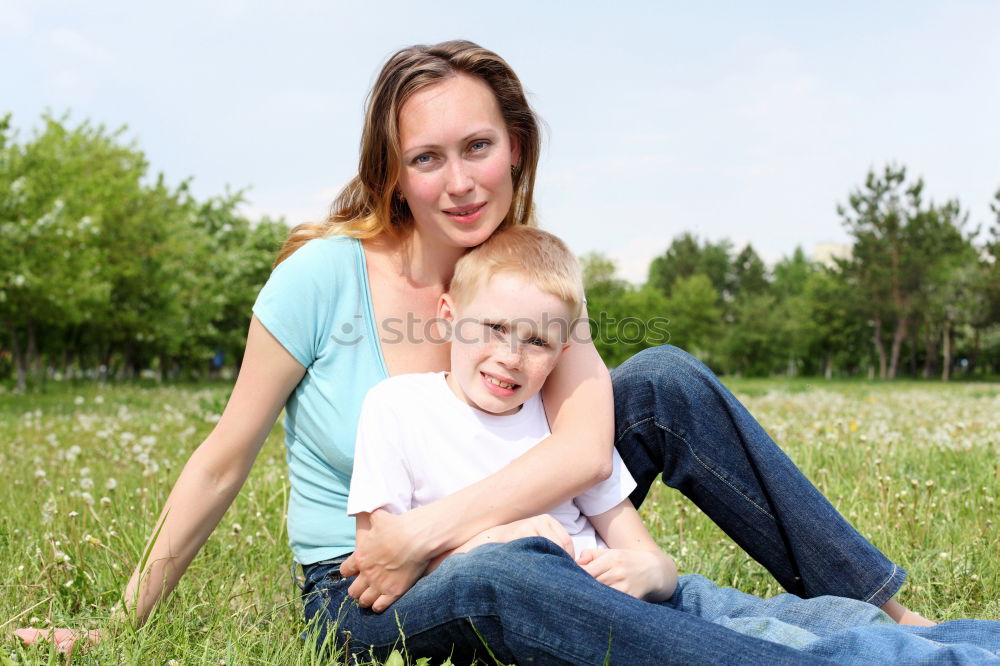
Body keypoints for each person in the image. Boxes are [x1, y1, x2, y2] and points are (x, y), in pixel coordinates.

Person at [15, 39, 939, 663]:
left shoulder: (529, 286)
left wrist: (437, 526)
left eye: (478, 147)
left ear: (517, 148)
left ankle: (891, 619)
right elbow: (224, 458)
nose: (458, 183)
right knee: (504, 573)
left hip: (503, 538)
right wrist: (119, 626)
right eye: (426, 159)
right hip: (370, 587)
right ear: (394, 174)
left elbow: (583, 450)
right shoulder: (320, 280)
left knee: (661, 380)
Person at [337, 225, 1000, 664]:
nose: (509, 357)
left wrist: (651, 571)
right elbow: (386, 563)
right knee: (774, 645)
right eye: (493, 328)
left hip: (638, 593)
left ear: (564, 349)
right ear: (450, 315)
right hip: (551, 596)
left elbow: (642, 552)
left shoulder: (555, 417)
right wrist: (508, 537)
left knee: (807, 620)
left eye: (536, 341)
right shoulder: (400, 408)